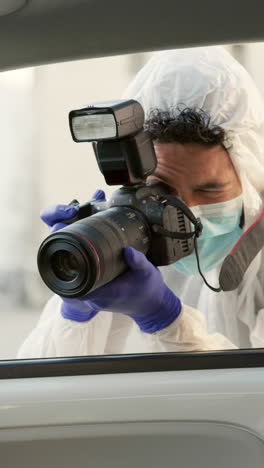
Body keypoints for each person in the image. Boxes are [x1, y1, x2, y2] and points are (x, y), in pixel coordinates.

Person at [17, 46, 264, 358]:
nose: (185, 212)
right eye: (161, 191)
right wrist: (80, 304)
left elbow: (248, 400)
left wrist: (165, 319)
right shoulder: (130, 242)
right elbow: (49, 393)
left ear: (251, 175)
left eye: (209, 190)